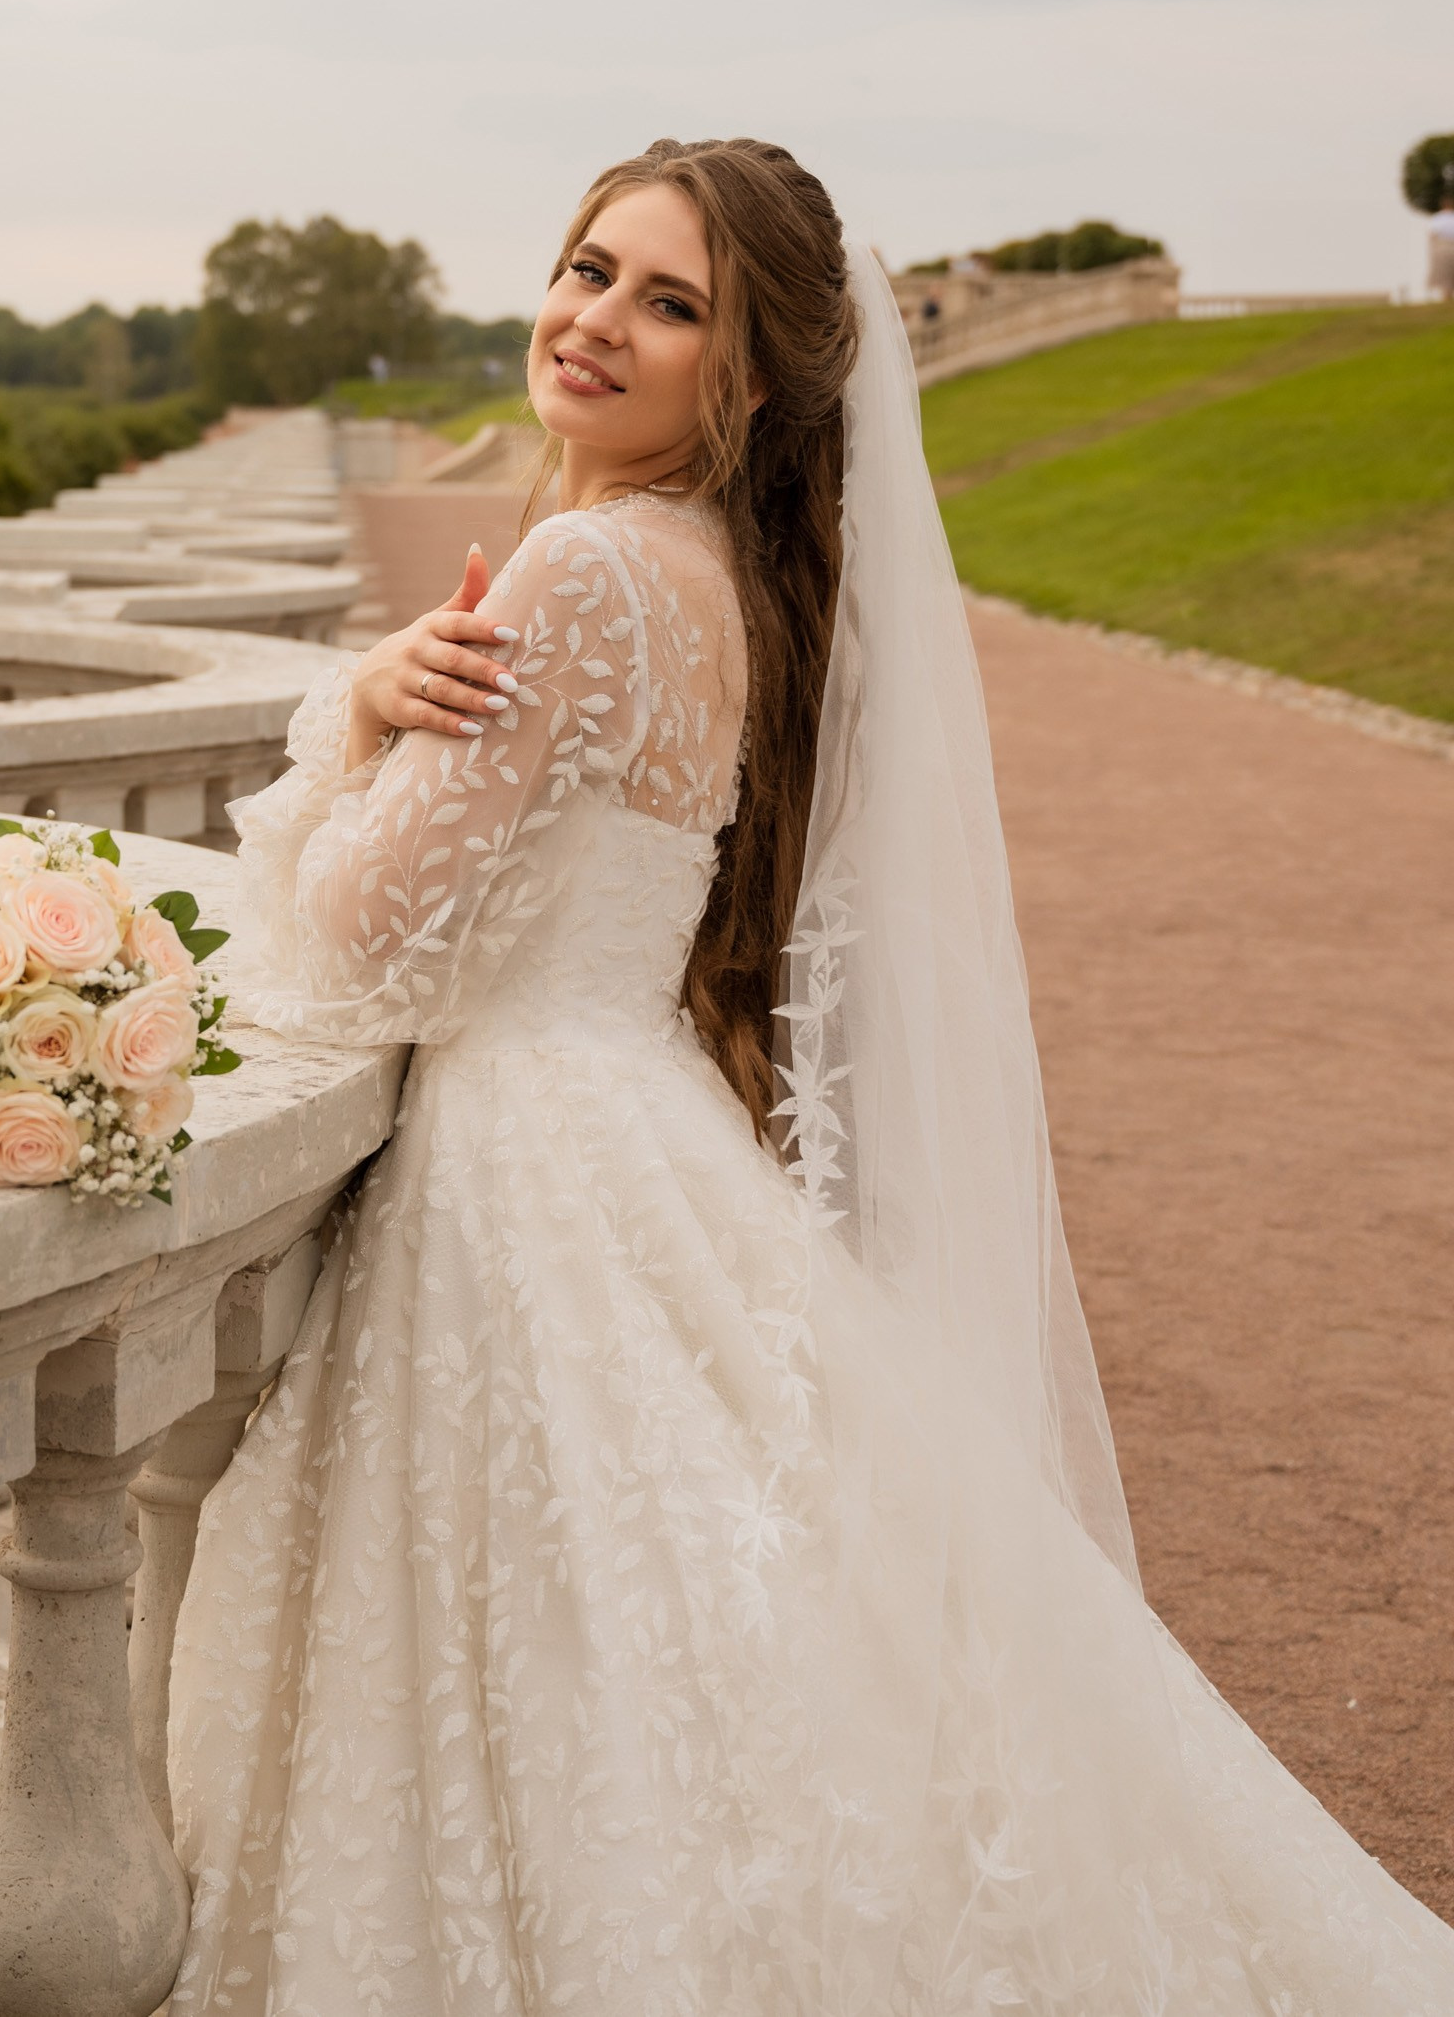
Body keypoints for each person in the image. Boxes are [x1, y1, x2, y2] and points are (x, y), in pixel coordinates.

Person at [168, 135, 1454, 2014]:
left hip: (532, 1170)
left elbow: (364, 951)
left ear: (751, 377)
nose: (597, 320)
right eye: (591, 267)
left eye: (670, 302)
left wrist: (345, 712)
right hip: (639, 1136)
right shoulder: (727, 578)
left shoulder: (583, 566)